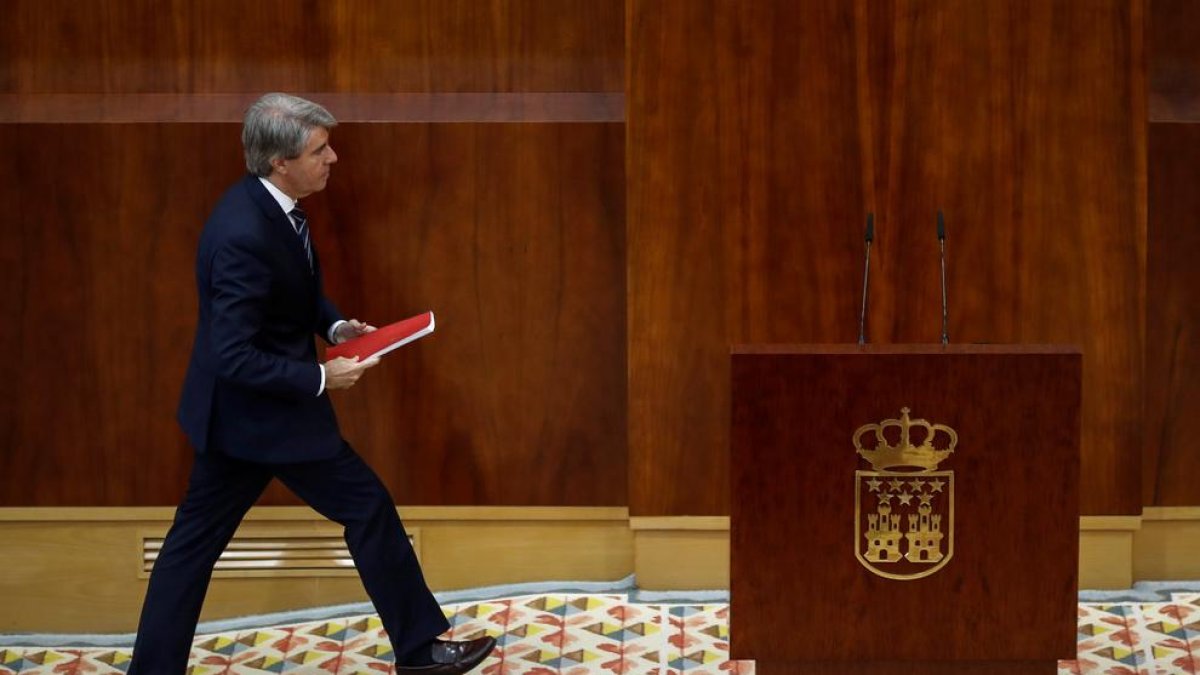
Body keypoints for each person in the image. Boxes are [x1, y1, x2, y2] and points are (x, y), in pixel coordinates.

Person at [128, 93, 495, 674]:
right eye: (319, 149)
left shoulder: (274, 207)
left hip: (247, 418)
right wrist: (322, 375)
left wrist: (334, 324)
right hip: (260, 416)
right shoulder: (243, 234)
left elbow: (292, 291)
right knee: (364, 506)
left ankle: (152, 670)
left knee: (192, 545)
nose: (334, 158)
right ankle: (422, 652)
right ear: (279, 161)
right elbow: (233, 354)